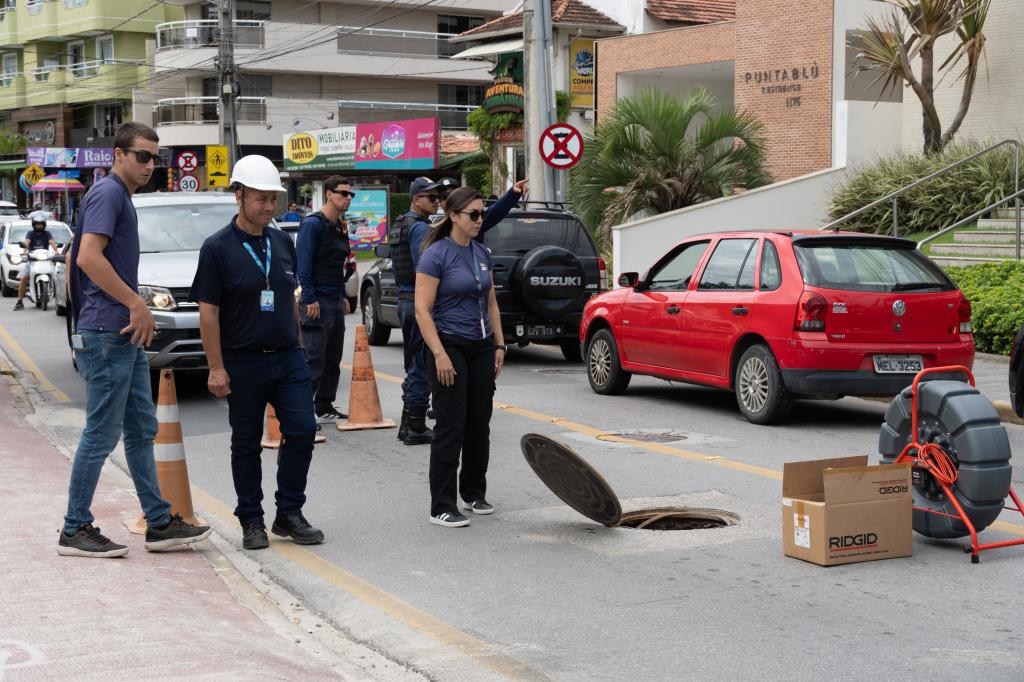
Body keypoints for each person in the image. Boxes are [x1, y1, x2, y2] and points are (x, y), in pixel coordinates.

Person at [59, 121, 211, 558]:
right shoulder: (109, 193)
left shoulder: (118, 196)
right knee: (101, 434)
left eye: (155, 159)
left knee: (142, 428)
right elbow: (87, 258)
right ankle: (74, 528)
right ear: (119, 155)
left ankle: (159, 522)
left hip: (119, 333)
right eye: (142, 156)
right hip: (109, 332)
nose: (149, 165)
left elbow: (74, 260)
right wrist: (135, 303)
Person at [191, 155, 324, 551]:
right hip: (242, 360)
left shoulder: (281, 241)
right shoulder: (217, 248)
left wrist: (297, 343)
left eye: (272, 199)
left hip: (287, 356)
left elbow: (289, 296)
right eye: (260, 199)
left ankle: (289, 512)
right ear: (239, 196)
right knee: (246, 443)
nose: (268, 207)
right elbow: (208, 313)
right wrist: (216, 367)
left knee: (303, 430)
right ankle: (251, 519)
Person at [390, 177, 528, 445]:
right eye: (432, 198)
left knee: (418, 365)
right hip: (425, 305)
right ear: (416, 199)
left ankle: (413, 420)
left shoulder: (407, 224)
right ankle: (414, 423)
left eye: (440, 197)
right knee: (423, 365)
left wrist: (512, 195)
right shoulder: (422, 231)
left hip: (413, 301)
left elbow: (489, 216)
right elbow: (428, 271)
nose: (437, 202)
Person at [415, 187, 506, 527]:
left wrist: (500, 345)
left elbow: (491, 303)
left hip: (481, 345)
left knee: (479, 423)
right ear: (454, 216)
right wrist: (439, 354)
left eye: (483, 214)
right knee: (451, 425)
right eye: (474, 214)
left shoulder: (482, 253)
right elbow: (422, 311)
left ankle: (473, 492)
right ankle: (441, 505)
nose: (480, 220)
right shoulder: (435, 255)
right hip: (449, 344)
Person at [296, 176, 353, 425]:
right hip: (317, 300)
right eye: (344, 193)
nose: (348, 198)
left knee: (332, 357)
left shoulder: (339, 225)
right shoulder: (313, 224)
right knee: (314, 358)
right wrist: (310, 298)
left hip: (334, 298)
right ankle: (302, 412)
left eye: (351, 194)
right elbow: (303, 264)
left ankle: (324, 404)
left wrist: (343, 296)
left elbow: (338, 264)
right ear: (329, 194)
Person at [13, 211, 59, 311]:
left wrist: (57, 251)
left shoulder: (47, 233)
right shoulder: (30, 233)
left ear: (44, 225)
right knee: (23, 278)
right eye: (37, 224)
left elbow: (52, 242)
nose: (39, 226)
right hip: (32, 260)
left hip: (45, 260)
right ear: (34, 225)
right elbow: (27, 243)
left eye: (41, 224)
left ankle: (58, 299)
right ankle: (20, 302)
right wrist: (25, 251)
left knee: (58, 275)